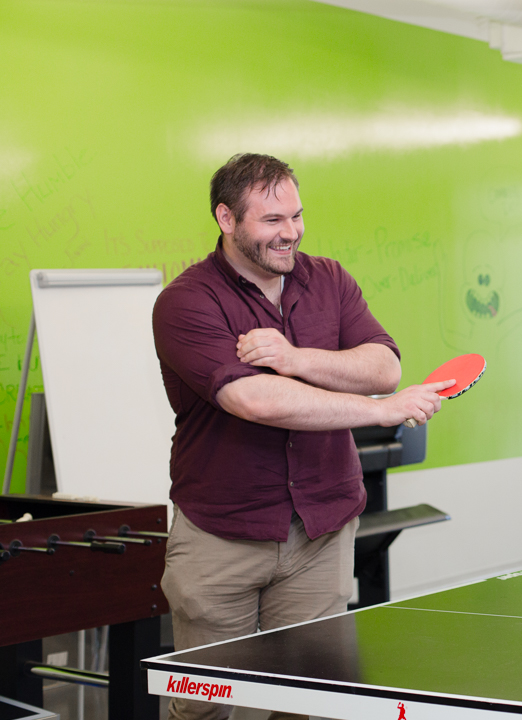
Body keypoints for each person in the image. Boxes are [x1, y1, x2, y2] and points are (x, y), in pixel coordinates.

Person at [152, 153, 453, 720]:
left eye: (296, 216)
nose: (290, 232)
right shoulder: (185, 302)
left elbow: (383, 365)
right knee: (207, 709)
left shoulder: (329, 279)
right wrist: (380, 411)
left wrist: (296, 357)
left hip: (322, 530)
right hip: (222, 535)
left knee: (312, 702)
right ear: (226, 219)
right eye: (272, 221)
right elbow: (252, 399)